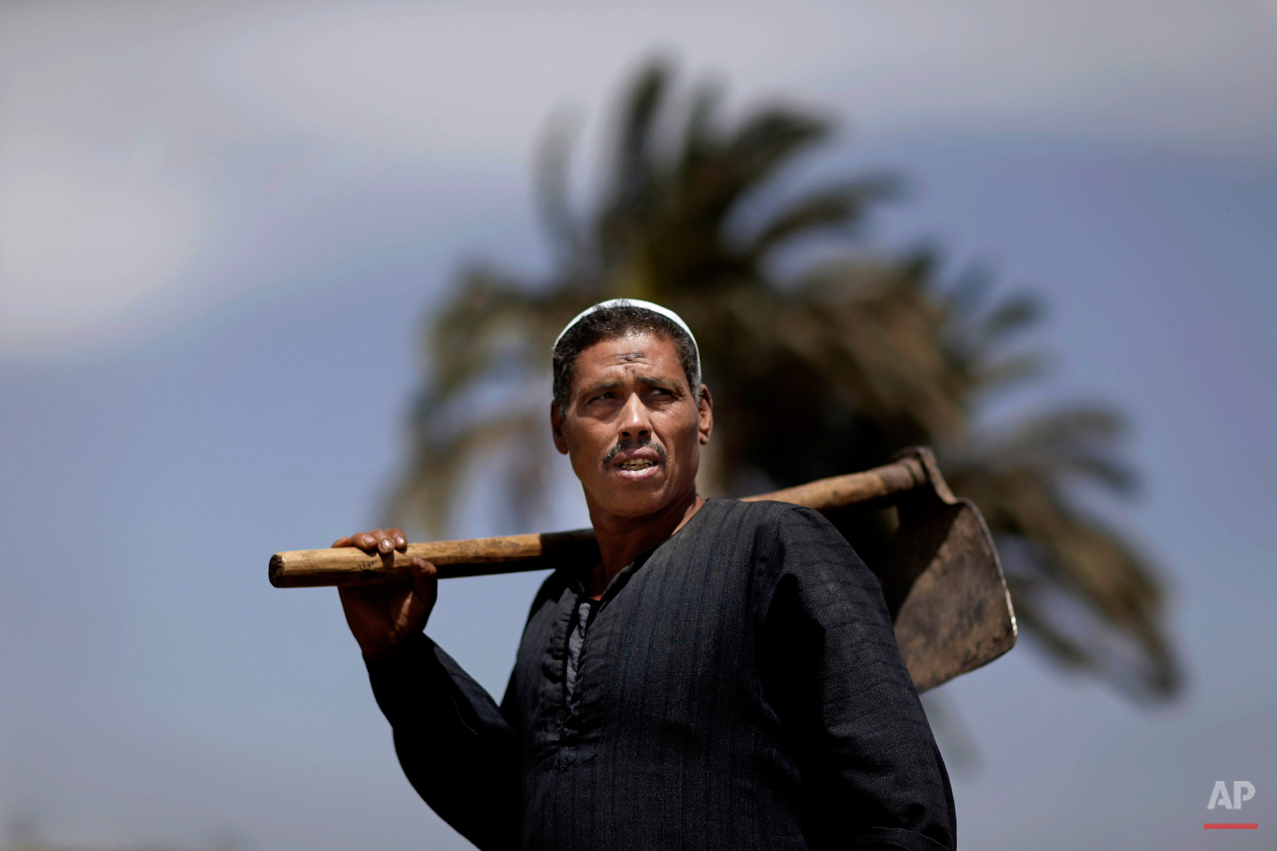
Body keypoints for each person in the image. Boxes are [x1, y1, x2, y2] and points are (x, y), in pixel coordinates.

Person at [334, 299, 956, 851]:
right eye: (603, 398)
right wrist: (400, 657)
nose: (634, 420)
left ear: (702, 414)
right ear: (560, 428)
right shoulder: (557, 601)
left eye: (659, 393)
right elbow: (512, 811)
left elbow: (902, 814)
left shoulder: (777, 548)